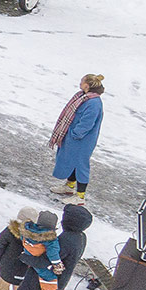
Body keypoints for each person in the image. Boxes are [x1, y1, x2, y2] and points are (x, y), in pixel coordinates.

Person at [50, 74, 104, 205]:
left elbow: (87, 123)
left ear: (87, 85)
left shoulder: (93, 103)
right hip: (74, 138)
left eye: (82, 81)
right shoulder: (82, 97)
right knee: (71, 162)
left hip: (82, 140)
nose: (80, 83)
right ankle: (69, 187)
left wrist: (75, 134)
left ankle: (80, 196)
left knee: (80, 165)